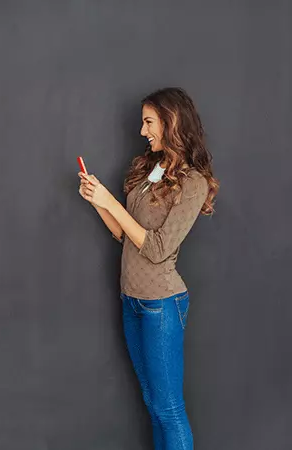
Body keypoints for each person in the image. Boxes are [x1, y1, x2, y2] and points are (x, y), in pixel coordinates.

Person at [78, 87, 219, 450]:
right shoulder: (153, 168)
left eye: (148, 122)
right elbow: (123, 234)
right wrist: (99, 202)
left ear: (172, 123)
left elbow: (156, 249)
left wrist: (112, 200)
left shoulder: (193, 183)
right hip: (132, 301)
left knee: (169, 409)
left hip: (161, 304)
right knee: (153, 404)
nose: (143, 131)